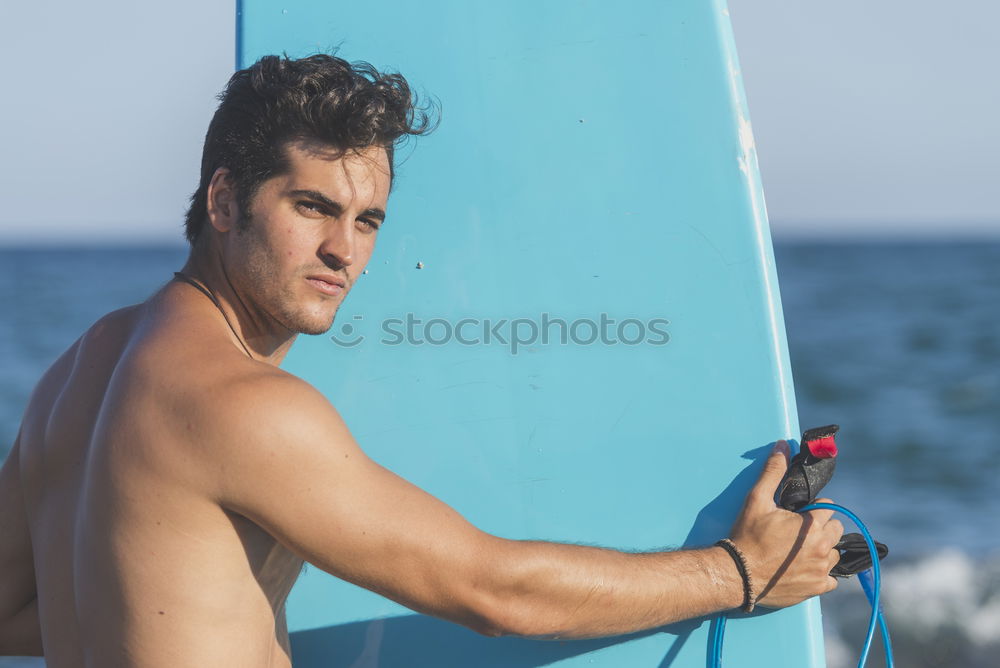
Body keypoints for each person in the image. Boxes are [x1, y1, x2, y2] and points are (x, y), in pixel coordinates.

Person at [0, 54, 842, 667]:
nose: (343, 252)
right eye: (312, 207)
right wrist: (739, 570)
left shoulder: (76, 373)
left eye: (367, 222)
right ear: (223, 200)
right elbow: (492, 594)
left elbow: (9, 617)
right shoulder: (242, 405)